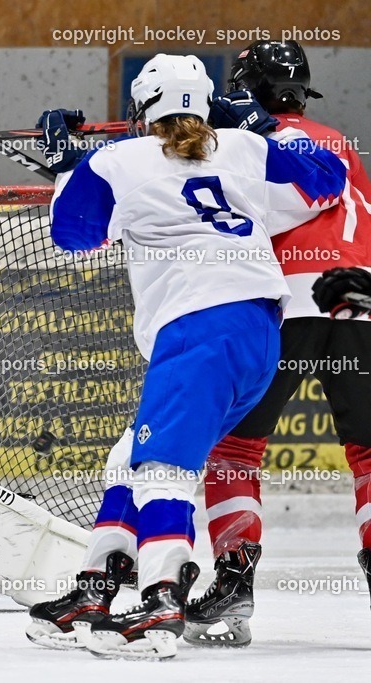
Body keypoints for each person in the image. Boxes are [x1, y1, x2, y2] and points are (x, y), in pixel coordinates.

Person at [24, 54, 346, 659]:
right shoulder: (244, 149)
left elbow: (74, 232)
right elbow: (327, 179)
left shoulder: (116, 161)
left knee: (162, 469)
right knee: (134, 454)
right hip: (258, 333)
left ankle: (162, 599)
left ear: (141, 108)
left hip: (197, 330)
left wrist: (68, 164)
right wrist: (253, 123)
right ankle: (96, 587)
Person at [183, 40, 371, 647]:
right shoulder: (336, 138)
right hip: (361, 301)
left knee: (236, 448)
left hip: (283, 303)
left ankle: (234, 587)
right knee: (370, 455)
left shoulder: (241, 143)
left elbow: (234, 214)